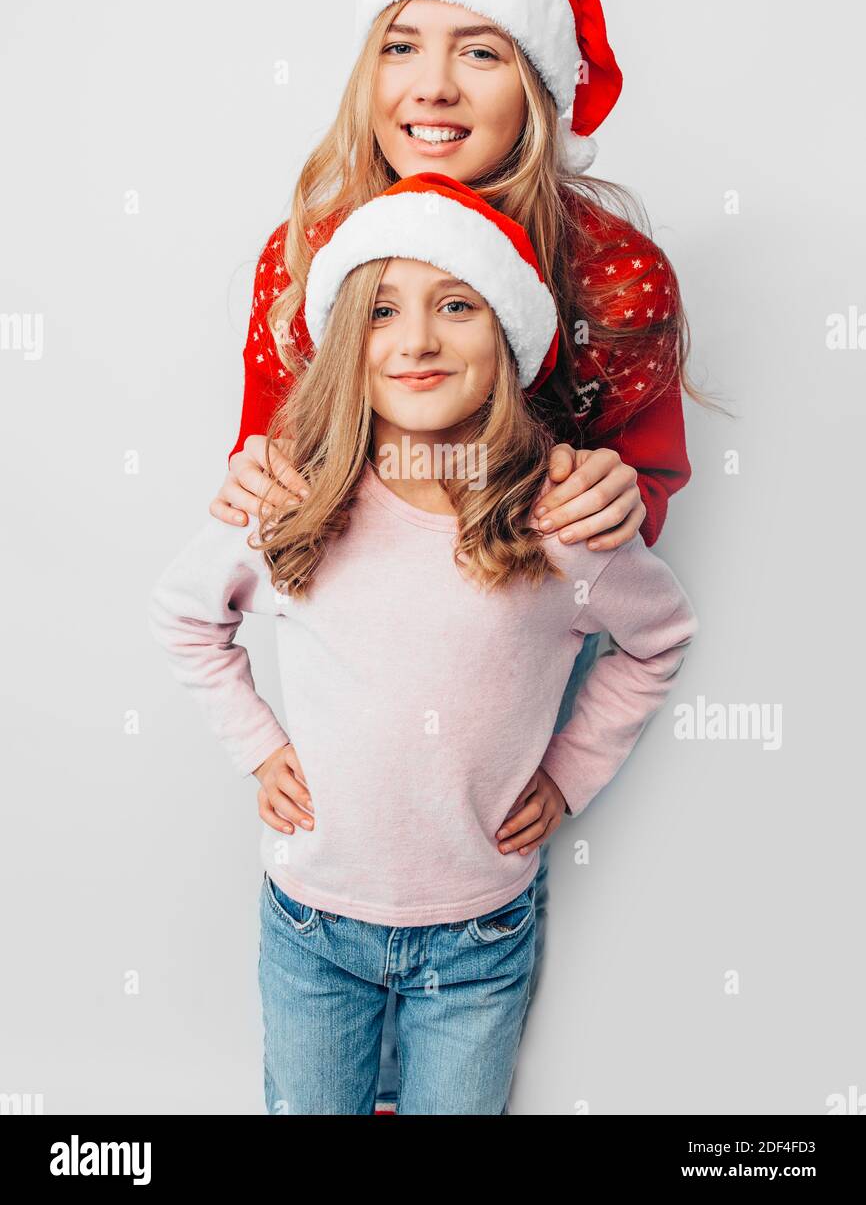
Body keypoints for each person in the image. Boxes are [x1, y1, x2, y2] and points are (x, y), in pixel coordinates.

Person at [207, 0, 705, 1111]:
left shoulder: (611, 270)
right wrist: (249, 479)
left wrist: (615, 489)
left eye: (478, 49)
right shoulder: (308, 251)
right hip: (331, 844)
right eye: (400, 44)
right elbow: (273, 458)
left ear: (533, 83)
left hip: (476, 822)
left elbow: (642, 502)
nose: (430, 86)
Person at [150, 173, 698, 1114]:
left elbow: (661, 637)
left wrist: (569, 772)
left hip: (479, 936)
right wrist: (257, 745)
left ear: (511, 339)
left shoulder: (559, 522)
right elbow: (185, 613)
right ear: (345, 347)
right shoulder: (298, 507)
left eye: (456, 305)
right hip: (313, 925)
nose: (416, 341)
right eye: (382, 312)